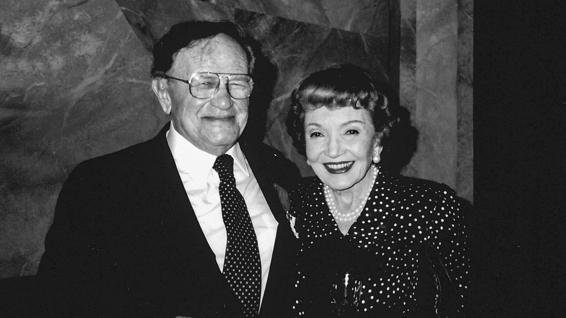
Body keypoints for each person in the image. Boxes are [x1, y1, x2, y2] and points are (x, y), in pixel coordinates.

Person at [38, 21, 299, 318]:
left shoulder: (280, 171)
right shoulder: (101, 187)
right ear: (164, 92)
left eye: (237, 82)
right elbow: (60, 303)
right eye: (204, 82)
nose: (225, 100)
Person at [285, 64, 470, 317]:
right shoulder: (298, 203)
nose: (333, 150)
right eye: (317, 134)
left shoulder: (430, 207)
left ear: (377, 142)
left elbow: (469, 302)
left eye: (351, 131)